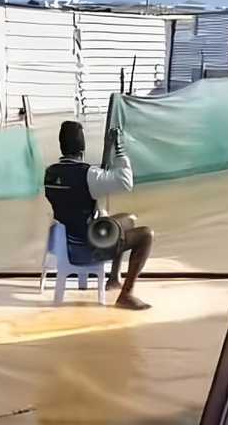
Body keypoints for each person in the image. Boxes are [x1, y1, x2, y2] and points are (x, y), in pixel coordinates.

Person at [44, 121, 155, 310]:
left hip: (65, 243)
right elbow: (125, 181)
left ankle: (113, 279)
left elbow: (79, 192)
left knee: (129, 219)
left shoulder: (50, 173)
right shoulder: (89, 174)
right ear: (83, 148)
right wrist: (118, 148)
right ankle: (126, 294)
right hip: (88, 248)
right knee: (146, 235)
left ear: (61, 146)